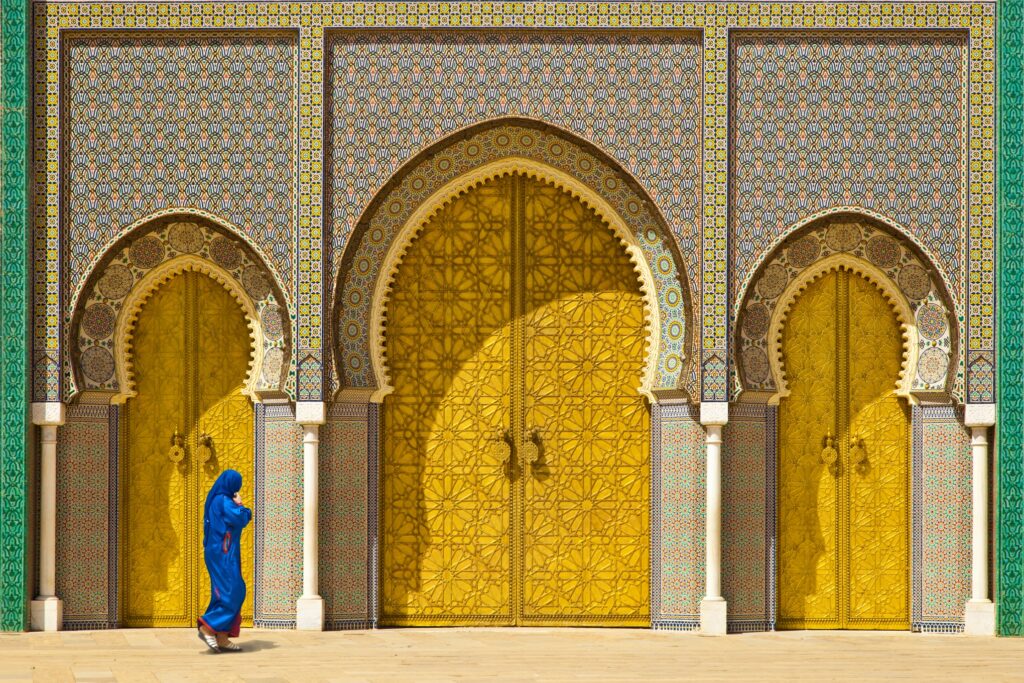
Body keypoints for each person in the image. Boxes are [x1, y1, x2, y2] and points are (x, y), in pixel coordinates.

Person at [197, 469, 252, 653]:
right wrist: (242, 505)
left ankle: (222, 637)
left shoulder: (218, 499)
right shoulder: (223, 501)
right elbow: (241, 517)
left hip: (222, 552)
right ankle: (208, 626)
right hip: (223, 553)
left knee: (224, 592)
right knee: (234, 591)